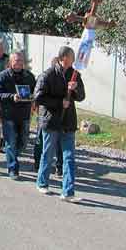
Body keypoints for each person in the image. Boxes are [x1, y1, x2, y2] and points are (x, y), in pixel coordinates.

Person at [34, 46, 86, 202]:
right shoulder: (48, 74)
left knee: (69, 157)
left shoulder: (75, 75)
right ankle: (42, 182)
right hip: (51, 121)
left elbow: (82, 96)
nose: (74, 60)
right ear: (63, 58)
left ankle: (68, 192)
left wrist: (75, 90)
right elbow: (38, 97)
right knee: (48, 154)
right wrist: (59, 103)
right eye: (71, 57)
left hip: (68, 121)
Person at [0, 52, 37, 179]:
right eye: (16, 60)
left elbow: (35, 91)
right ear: (11, 62)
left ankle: (12, 156)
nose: (19, 63)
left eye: (21, 60)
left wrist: (34, 97)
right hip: (9, 115)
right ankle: (13, 168)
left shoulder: (29, 76)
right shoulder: (2, 76)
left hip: (24, 114)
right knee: (11, 142)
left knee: (23, 142)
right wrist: (12, 97)